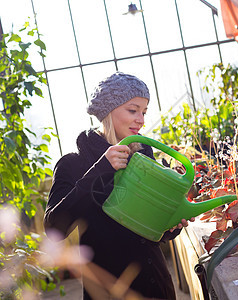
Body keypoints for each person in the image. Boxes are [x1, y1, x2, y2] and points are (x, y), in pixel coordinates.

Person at [44, 72, 194, 300]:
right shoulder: (73, 164)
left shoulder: (143, 157)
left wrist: (171, 225)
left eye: (144, 112)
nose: (141, 120)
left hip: (157, 286)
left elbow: (151, 230)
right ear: (107, 112)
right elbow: (54, 229)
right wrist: (101, 168)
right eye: (133, 110)